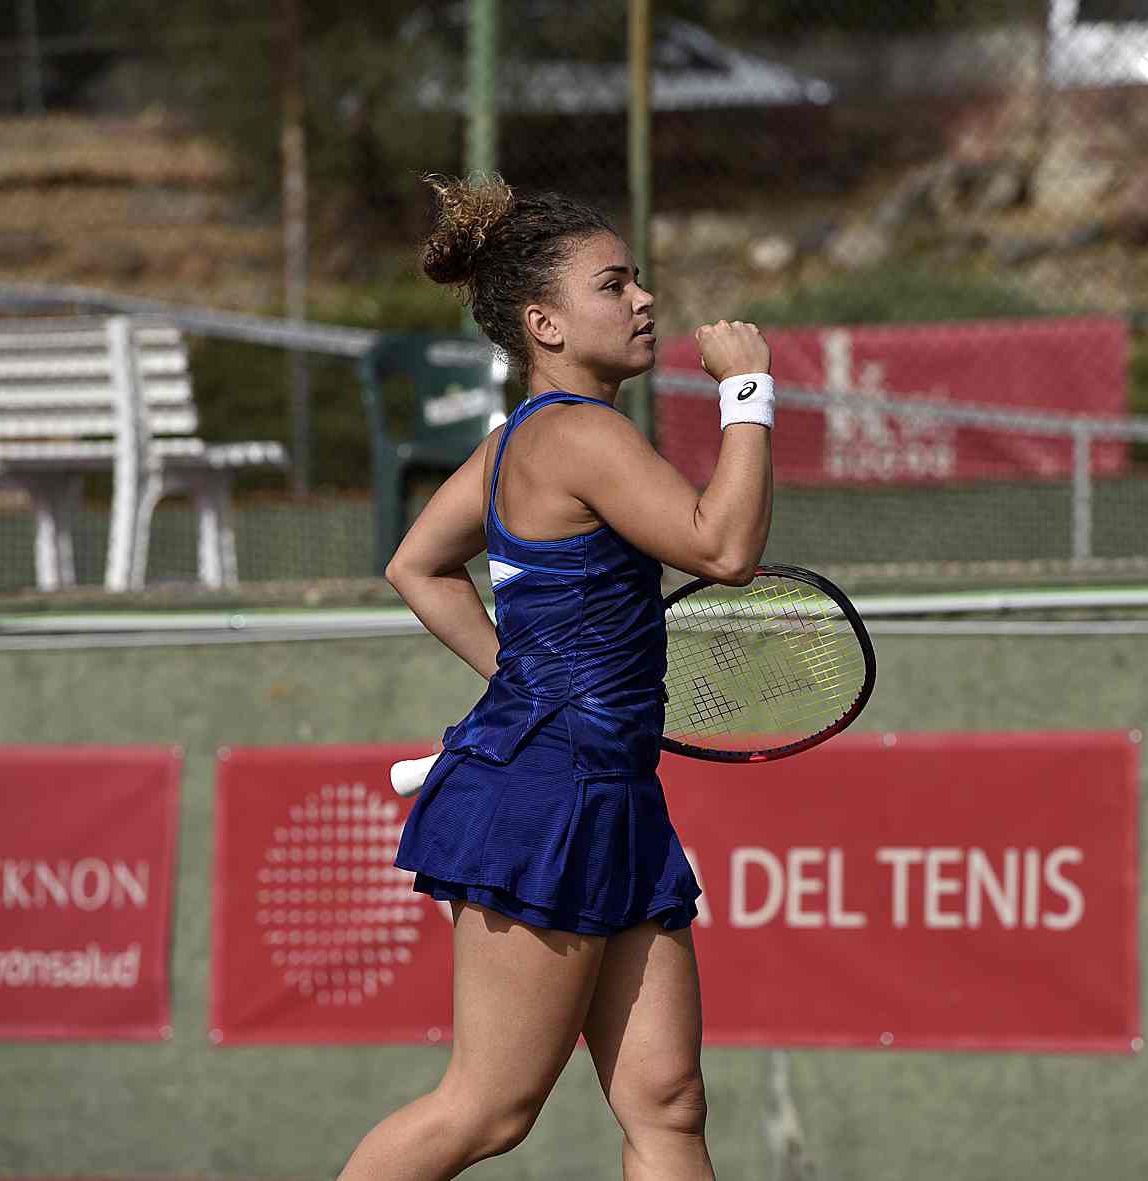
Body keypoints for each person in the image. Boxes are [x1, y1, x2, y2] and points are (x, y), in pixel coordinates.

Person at [335, 173, 774, 1181]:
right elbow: (723, 547)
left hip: (609, 792)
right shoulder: (578, 432)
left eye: (637, 281)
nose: (643, 300)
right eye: (613, 285)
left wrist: (522, 683)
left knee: (666, 1102)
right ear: (544, 322)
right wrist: (746, 389)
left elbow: (416, 564)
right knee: (487, 1109)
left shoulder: (513, 444)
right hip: (545, 796)